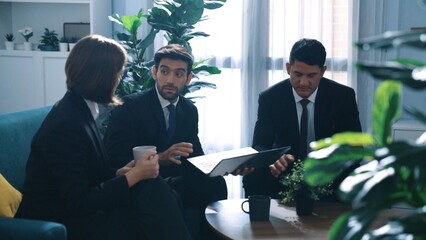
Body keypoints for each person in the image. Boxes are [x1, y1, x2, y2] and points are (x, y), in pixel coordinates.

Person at [17, 35, 191, 240]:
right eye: (118, 73)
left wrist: (120, 172)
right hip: (61, 220)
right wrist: (133, 176)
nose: (119, 79)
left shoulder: (81, 109)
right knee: (152, 196)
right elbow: (78, 202)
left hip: (79, 210)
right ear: (101, 76)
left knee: (153, 187)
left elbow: (86, 171)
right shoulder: (66, 124)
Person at [103, 44, 227, 238]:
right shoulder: (130, 106)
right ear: (154, 72)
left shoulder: (189, 110)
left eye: (178, 74)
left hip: (172, 181)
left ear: (188, 78)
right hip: (143, 184)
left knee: (216, 183)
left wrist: (223, 166)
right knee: (168, 195)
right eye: (164, 71)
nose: (170, 80)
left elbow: (195, 155)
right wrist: (160, 158)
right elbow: (115, 161)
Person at [242, 38, 362, 199]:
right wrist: (276, 159)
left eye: (311, 75)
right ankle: (261, 221)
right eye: (297, 74)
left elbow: (355, 147)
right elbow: (260, 145)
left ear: (323, 72)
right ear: (288, 68)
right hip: (286, 172)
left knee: (353, 173)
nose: (303, 83)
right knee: (253, 176)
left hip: (327, 172)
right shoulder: (270, 97)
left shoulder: (343, 96)